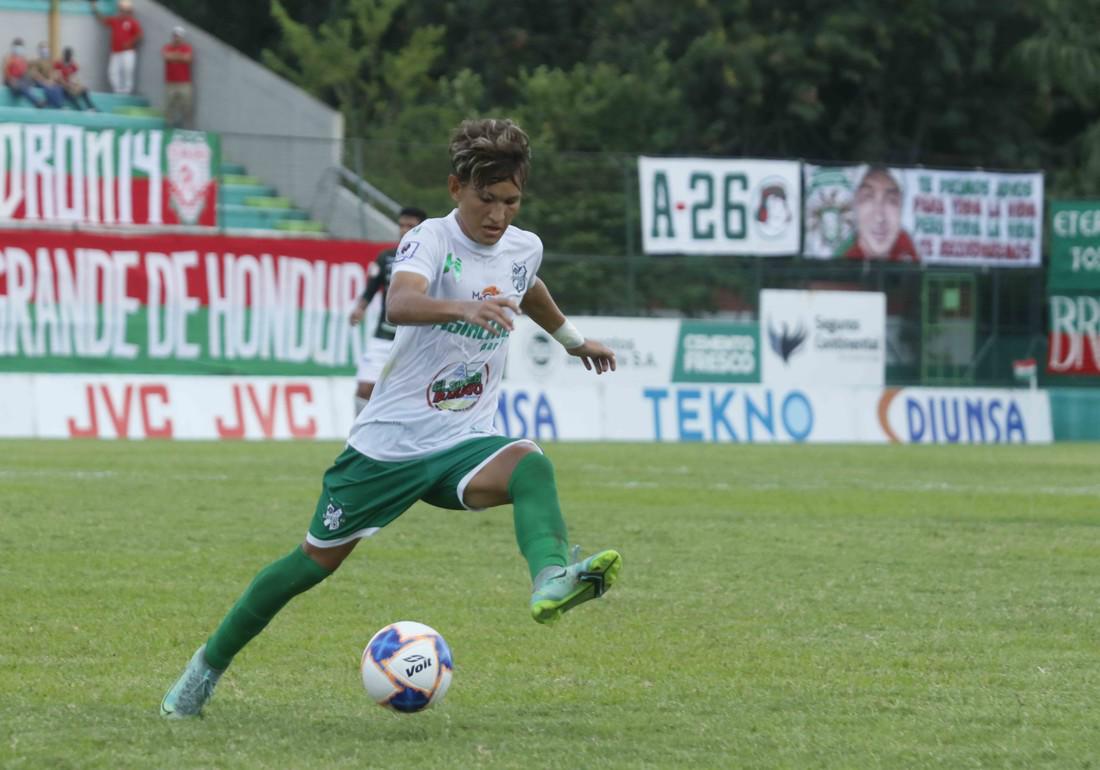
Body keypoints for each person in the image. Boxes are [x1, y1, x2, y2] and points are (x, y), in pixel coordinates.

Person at [160, 118, 623, 719]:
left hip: (462, 438)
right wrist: (463, 307)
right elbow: (400, 302)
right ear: (456, 188)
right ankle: (204, 669)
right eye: (486, 199)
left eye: (510, 201)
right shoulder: (428, 240)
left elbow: (526, 283)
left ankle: (552, 578)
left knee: (530, 465)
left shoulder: (522, 244)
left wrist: (572, 340)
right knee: (310, 564)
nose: (498, 215)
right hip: (389, 446)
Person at [349, 205, 429, 415]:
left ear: (422, 228)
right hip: (383, 336)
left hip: (414, 340)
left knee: (410, 397)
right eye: (401, 225)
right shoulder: (386, 257)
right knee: (364, 389)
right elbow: (371, 288)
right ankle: (360, 433)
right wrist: (360, 308)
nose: (404, 230)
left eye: (410, 226)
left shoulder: (433, 259)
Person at [840, 165, 918, 262]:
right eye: (868, 197)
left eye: (891, 200)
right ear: (855, 206)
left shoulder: (905, 244)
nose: (879, 218)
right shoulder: (843, 259)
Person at [90, 0, 142, 95]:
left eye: (124, 10)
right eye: (121, 10)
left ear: (128, 12)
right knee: (112, 72)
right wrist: (95, 8)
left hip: (128, 52)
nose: (121, 12)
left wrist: (129, 43)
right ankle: (117, 91)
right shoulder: (115, 20)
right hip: (115, 52)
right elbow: (103, 20)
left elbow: (139, 35)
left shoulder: (133, 22)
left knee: (127, 71)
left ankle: (127, 91)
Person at [161, 26, 193, 128]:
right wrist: (180, 56)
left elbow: (188, 59)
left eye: (178, 36)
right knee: (169, 105)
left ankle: (186, 126)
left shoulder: (187, 47)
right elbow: (166, 56)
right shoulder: (167, 47)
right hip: (170, 82)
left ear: (182, 37)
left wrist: (174, 56)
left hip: (184, 82)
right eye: (175, 36)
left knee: (186, 105)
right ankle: (168, 126)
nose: (176, 38)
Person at [3, 38, 46, 108]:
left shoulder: (23, 59)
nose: (19, 49)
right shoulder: (8, 58)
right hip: (12, 82)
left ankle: (40, 99)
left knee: (29, 80)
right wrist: (11, 80)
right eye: (17, 46)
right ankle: (37, 101)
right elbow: (6, 72)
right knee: (21, 85)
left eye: (20, 46)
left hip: (21, 81)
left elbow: (25, 72)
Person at [28, 42, 66, 108]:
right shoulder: (36, 62)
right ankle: (59, 106)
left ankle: (59, 104)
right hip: (40, 82)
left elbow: (53, 73)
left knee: (58, 87)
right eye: (42, 48)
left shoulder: (50, 62)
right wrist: (45, 81)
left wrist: (51, 80)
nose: (44, 50)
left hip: (48, 81)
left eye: (46, 48)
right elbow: (35, 74)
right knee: (48, 88)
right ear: (39, 51)